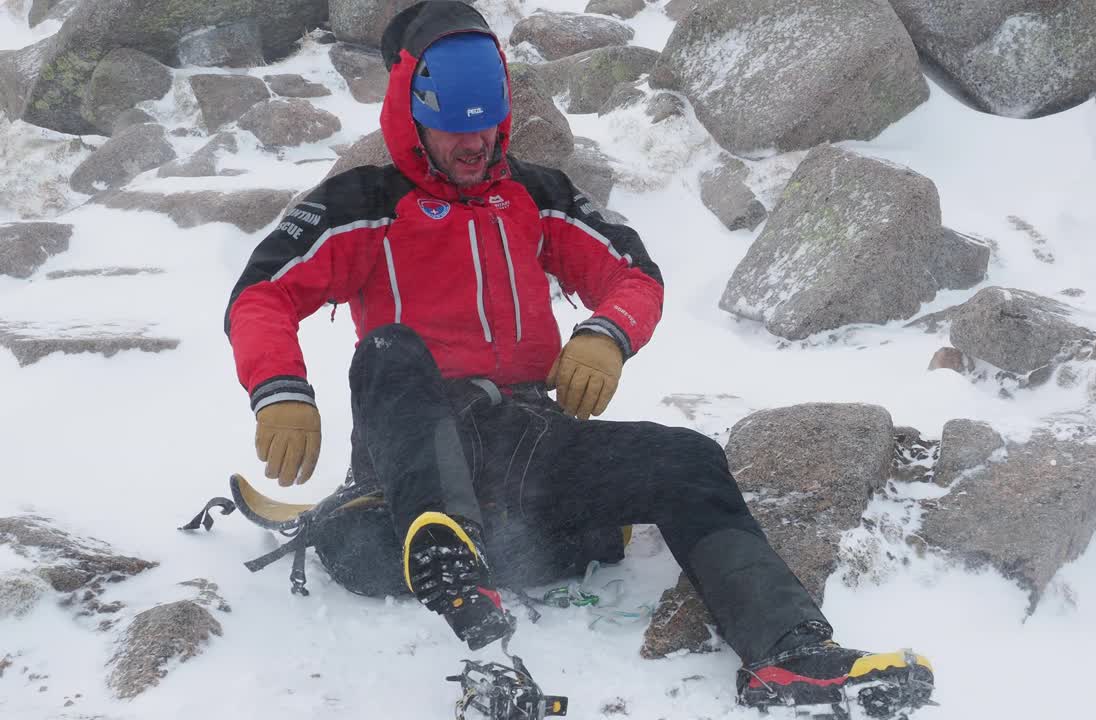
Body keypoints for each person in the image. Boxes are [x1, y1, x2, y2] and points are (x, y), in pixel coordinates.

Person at [223, 0, 933, 713]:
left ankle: (789, 651)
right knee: (389, 349)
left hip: (524, 446)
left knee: (686, 458)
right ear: (411, 116)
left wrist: (605, 334)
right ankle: (446, 555)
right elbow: (261, 295)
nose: (474, 147)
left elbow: (632, 272)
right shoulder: (363, 204)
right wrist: (280, 389)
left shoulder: (537, 195)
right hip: (409, 455)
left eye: (487, 128)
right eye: (452, 130)